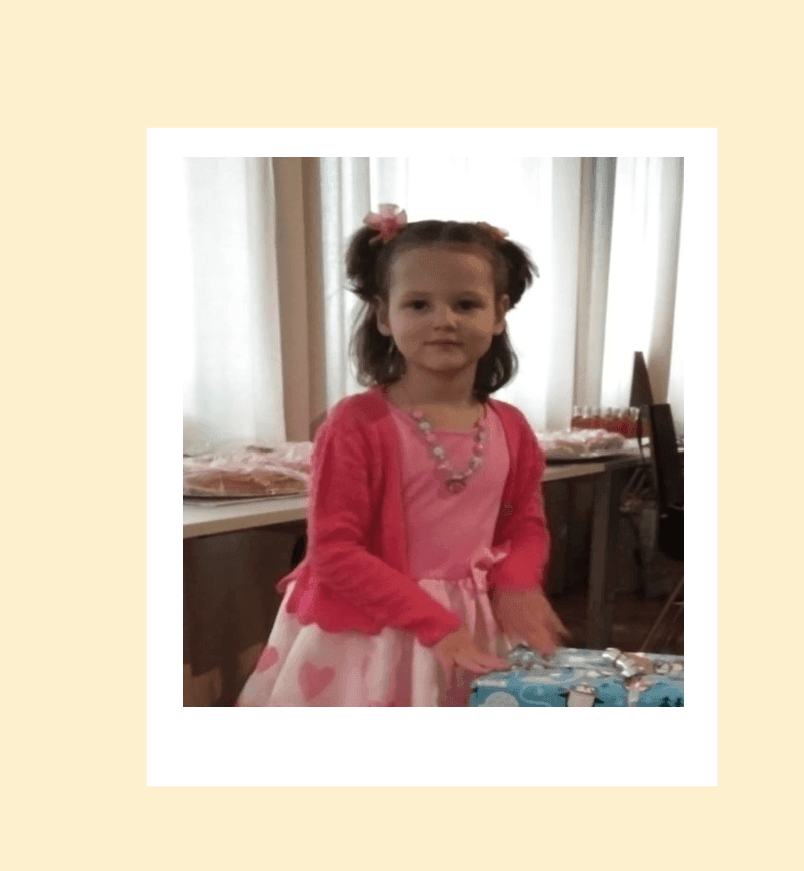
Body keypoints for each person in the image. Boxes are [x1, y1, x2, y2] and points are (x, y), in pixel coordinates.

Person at [236, 204, 568, 706]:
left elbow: (525, 523)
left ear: (498, 313)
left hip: (473, 629)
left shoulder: (512, 428)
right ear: (383, 315)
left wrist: (519, 584)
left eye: (466, 304)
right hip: (373, 634)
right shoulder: (356, 425)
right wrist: (435, 624)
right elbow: (335, 554)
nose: (445, 321)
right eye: (418, 305)